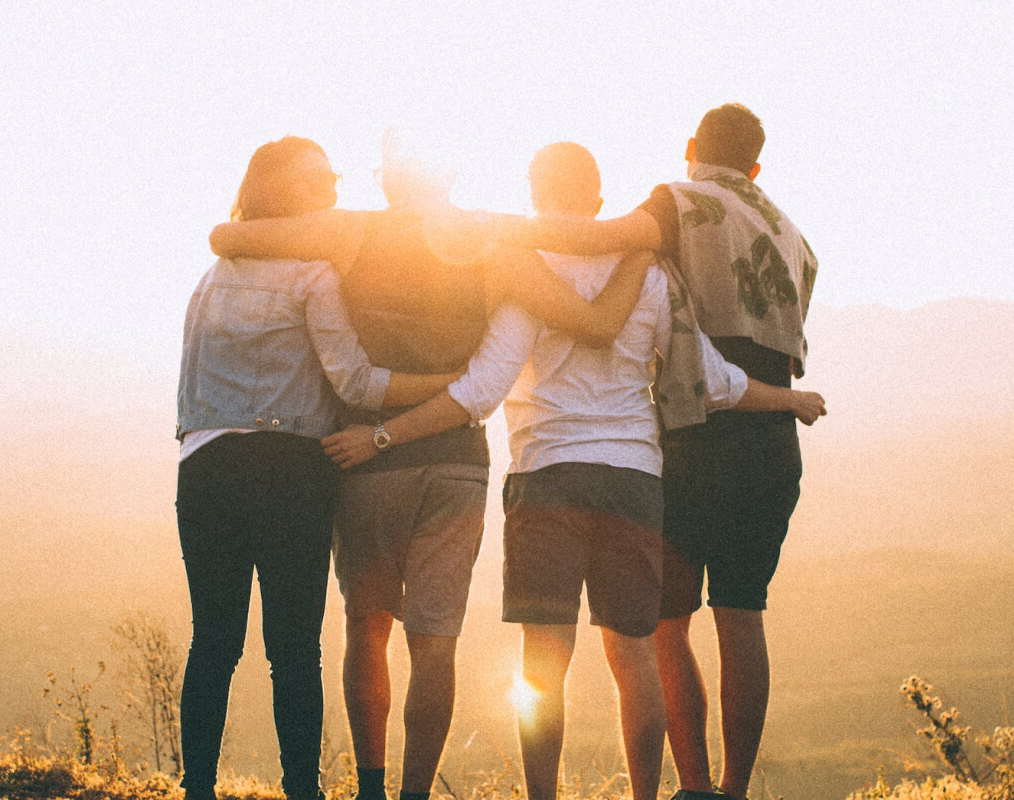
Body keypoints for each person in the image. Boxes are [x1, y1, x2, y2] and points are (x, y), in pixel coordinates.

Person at [321, 142, 824, 800]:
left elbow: (480, 391)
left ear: (535, 197)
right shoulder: (649, 274)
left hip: (546, 477)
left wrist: (385, 435)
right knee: (635, 653)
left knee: (544, 659)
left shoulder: (525, 273)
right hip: (635, 481)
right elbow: (713, 381)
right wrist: (788, 398)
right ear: (597, 199)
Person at [207, 130, 653, 800]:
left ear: (387, 178)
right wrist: (645, 238)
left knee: (368, 626)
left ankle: (372, 788)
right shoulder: (495, 242)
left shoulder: (348, 232)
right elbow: (590, 314)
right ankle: (416, 791)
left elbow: (229, 240)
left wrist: (231, 229)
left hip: (365, 462)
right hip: (456, 465)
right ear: (450, 174)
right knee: (435, 643)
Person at [501, 104, 820, 800]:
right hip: (771, 433)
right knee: (742, 612)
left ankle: (694, 786)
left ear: (690, 149)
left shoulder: (678, 202)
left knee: (663, 626)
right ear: (756, 165)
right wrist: (788, 398)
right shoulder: (792, 233)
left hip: (695, 430)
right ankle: (733, 790)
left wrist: (494, 234)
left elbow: (600, 238)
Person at [175, 136, 460, 800]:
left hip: (205, 467)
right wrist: (448, 383)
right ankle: (302, 790)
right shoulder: (312, 276)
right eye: (318, 180)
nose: (333, 190)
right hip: (289, 470)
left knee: (213, 641)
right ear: (281, 190)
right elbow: (356, 383)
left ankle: (197, 789)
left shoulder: (209, 279)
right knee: (293, 648)